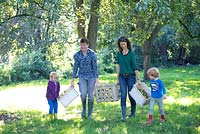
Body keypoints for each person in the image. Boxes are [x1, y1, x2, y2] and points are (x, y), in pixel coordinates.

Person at [71, 37, 98, 119]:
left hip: (91, 77)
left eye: (84, 45)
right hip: (82, 76)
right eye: (81, 45)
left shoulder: (92, 54)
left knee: (90, 96)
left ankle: (89, 114)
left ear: (88, 45)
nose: (83, 47)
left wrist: (97, 79)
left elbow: (95, 67)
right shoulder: (77, 55)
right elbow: (75, 68)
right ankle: (84, 110)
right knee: (83, 94)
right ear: (80, 46)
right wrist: (72, 80)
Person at [115, 36, 139, 122]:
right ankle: (123, 116)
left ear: (127, 44)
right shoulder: (118, 54)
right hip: (122, 77)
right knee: (123, 95)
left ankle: (133, 113)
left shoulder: (131, 53)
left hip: (131, 77)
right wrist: (117, 78)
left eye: (124, 44)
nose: (123, 46)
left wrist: (138, 79)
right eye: (121, 44)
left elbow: (135, 66)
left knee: (131, 94)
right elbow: (118, 66)